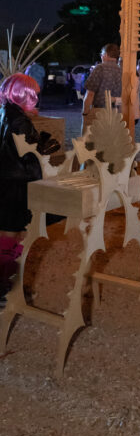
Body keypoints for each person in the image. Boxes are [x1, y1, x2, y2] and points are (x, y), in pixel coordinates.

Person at [0, 74, 59, 302]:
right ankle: (7, 288)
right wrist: (41, 147)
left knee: (9, 235)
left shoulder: (6, 113)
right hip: (17, 185)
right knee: (14, 236)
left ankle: (9, 285)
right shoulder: (19, 120)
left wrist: (39, 143)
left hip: (7, 182)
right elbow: (24, 152)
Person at [82, 43, 121, 132]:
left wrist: (85, 113)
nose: (101, 56)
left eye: (101, 54)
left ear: (106, 54)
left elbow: (90, 93)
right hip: (115, 112)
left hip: (98, 112)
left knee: (91, 143)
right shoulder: (121, 71)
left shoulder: (99, 68)